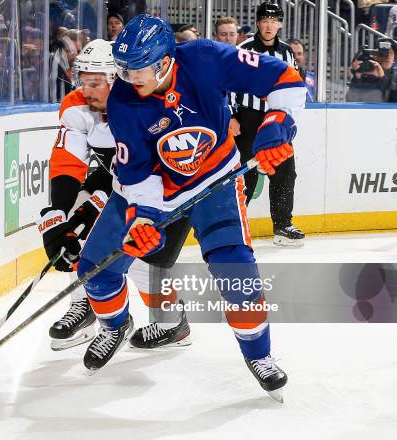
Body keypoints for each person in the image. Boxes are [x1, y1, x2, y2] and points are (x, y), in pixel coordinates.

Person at [77, 14, 305, 402]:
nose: (129, 78)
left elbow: (285, 79)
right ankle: (115, 325)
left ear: (165, 61)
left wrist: (278, 125)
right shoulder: (123, 100)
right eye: (124, 69)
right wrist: (143, 219)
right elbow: (137, 175)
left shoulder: (205, 58)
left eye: (138, 70)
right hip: (154, 192)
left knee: (239, 277)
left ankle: (259, 354)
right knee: (94, 272)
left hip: (215, 181)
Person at [40, 39, 192, 351]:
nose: (86, 90)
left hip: (169, 189)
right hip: (121, 183)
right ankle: (89, 305)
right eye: (83, 81)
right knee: (81, 228)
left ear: (118, 79)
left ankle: (172, 323)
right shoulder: (78, 105)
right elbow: (69, 162)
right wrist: (58, 215)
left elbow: (158, 172)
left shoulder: (151, 105)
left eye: (95, 82)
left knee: (140, 258)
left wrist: (103, 198)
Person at [232, 2, 305, 247]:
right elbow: (228, 82)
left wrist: (289, 118)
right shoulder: (244, 49)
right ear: (258, 23)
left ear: (280, 24)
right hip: (248, 118)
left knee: (285, 172)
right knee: (245, 175)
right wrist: (231, 116)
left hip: (276, 118)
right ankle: (234, 226)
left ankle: (283, 225)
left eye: (274, 21)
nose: (269, 25)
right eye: (265, 20)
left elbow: (295, 86)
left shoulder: (287, 52)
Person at [288, 38, 316, 102]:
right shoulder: (276, 78)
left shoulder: (313, 79)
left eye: (299, 54)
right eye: (292, 53)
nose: (296, 57)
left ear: (303, 56)